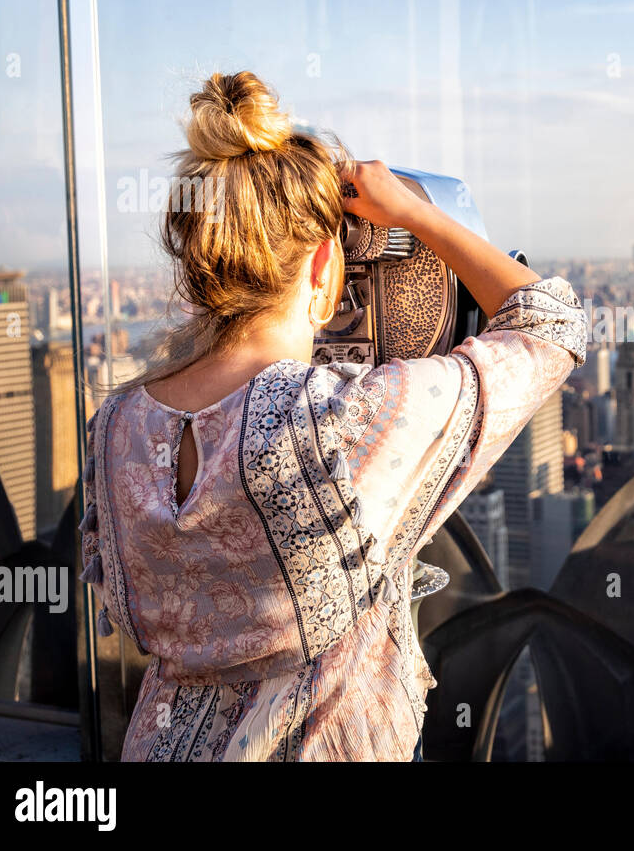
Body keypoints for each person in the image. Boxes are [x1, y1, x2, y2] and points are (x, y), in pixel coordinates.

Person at [77, 71, 587, 761]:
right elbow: (552, 326)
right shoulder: (343, 424)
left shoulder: (116, 427)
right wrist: (419, 215)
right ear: (324, 267)